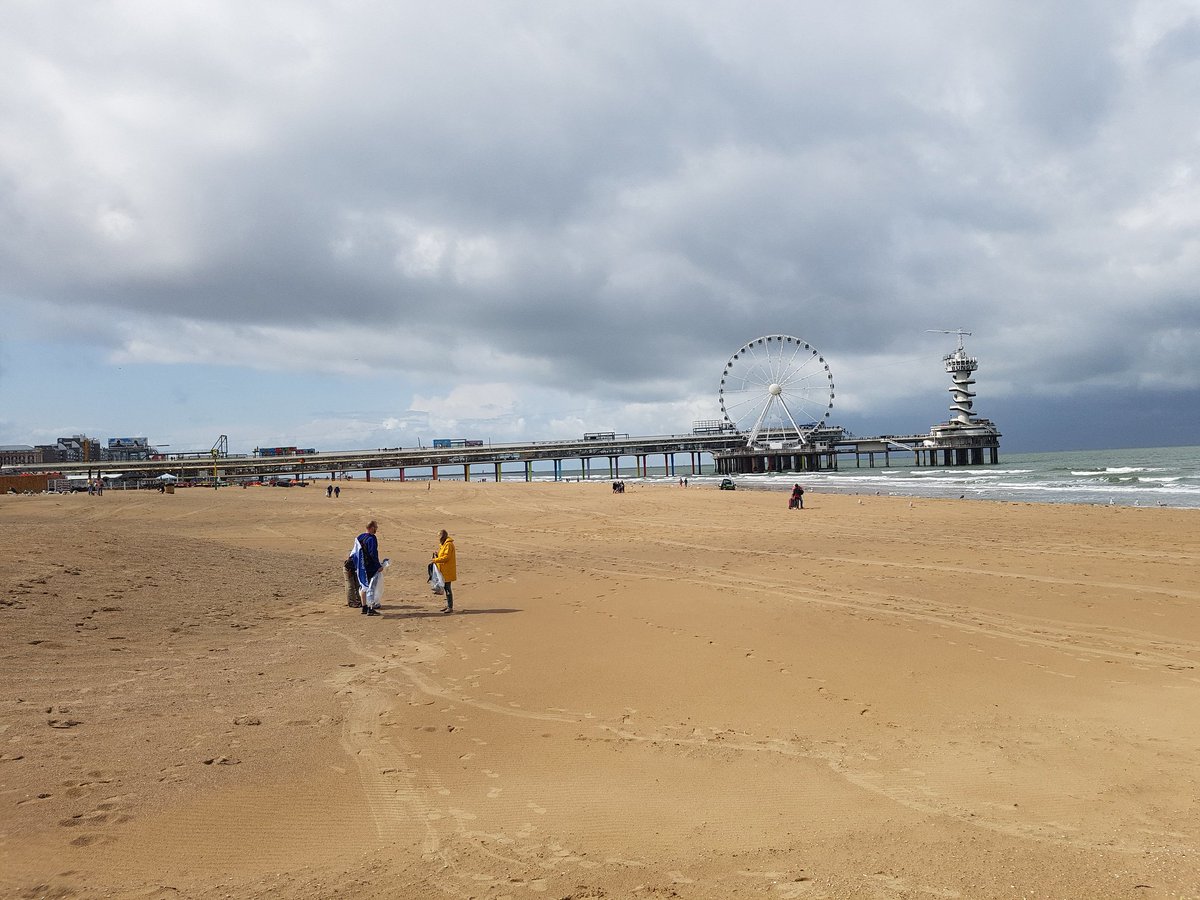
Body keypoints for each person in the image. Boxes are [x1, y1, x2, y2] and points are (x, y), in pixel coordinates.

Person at [349, 520, 385, 615]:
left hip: (361, 566)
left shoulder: (360, 537)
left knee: (363, 586)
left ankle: (364, 607)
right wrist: (378, 566)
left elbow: (355, 551)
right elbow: (373, 554)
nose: (376, 528)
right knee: (371, 587)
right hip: (370, 566)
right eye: (375, 527)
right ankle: (370, 608)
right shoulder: (371, 539)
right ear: (372, 528)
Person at [431, 529, 457, 614]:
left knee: (447, 588)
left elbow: (446, 557)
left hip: (447, 570)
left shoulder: (448, 544)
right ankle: (448, 605)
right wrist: (437, 555)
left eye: (439, 536)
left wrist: (435, 560)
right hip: (443, 570)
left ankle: (450, 607)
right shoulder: (444, 544)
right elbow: (443, 555)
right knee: (446, 588)